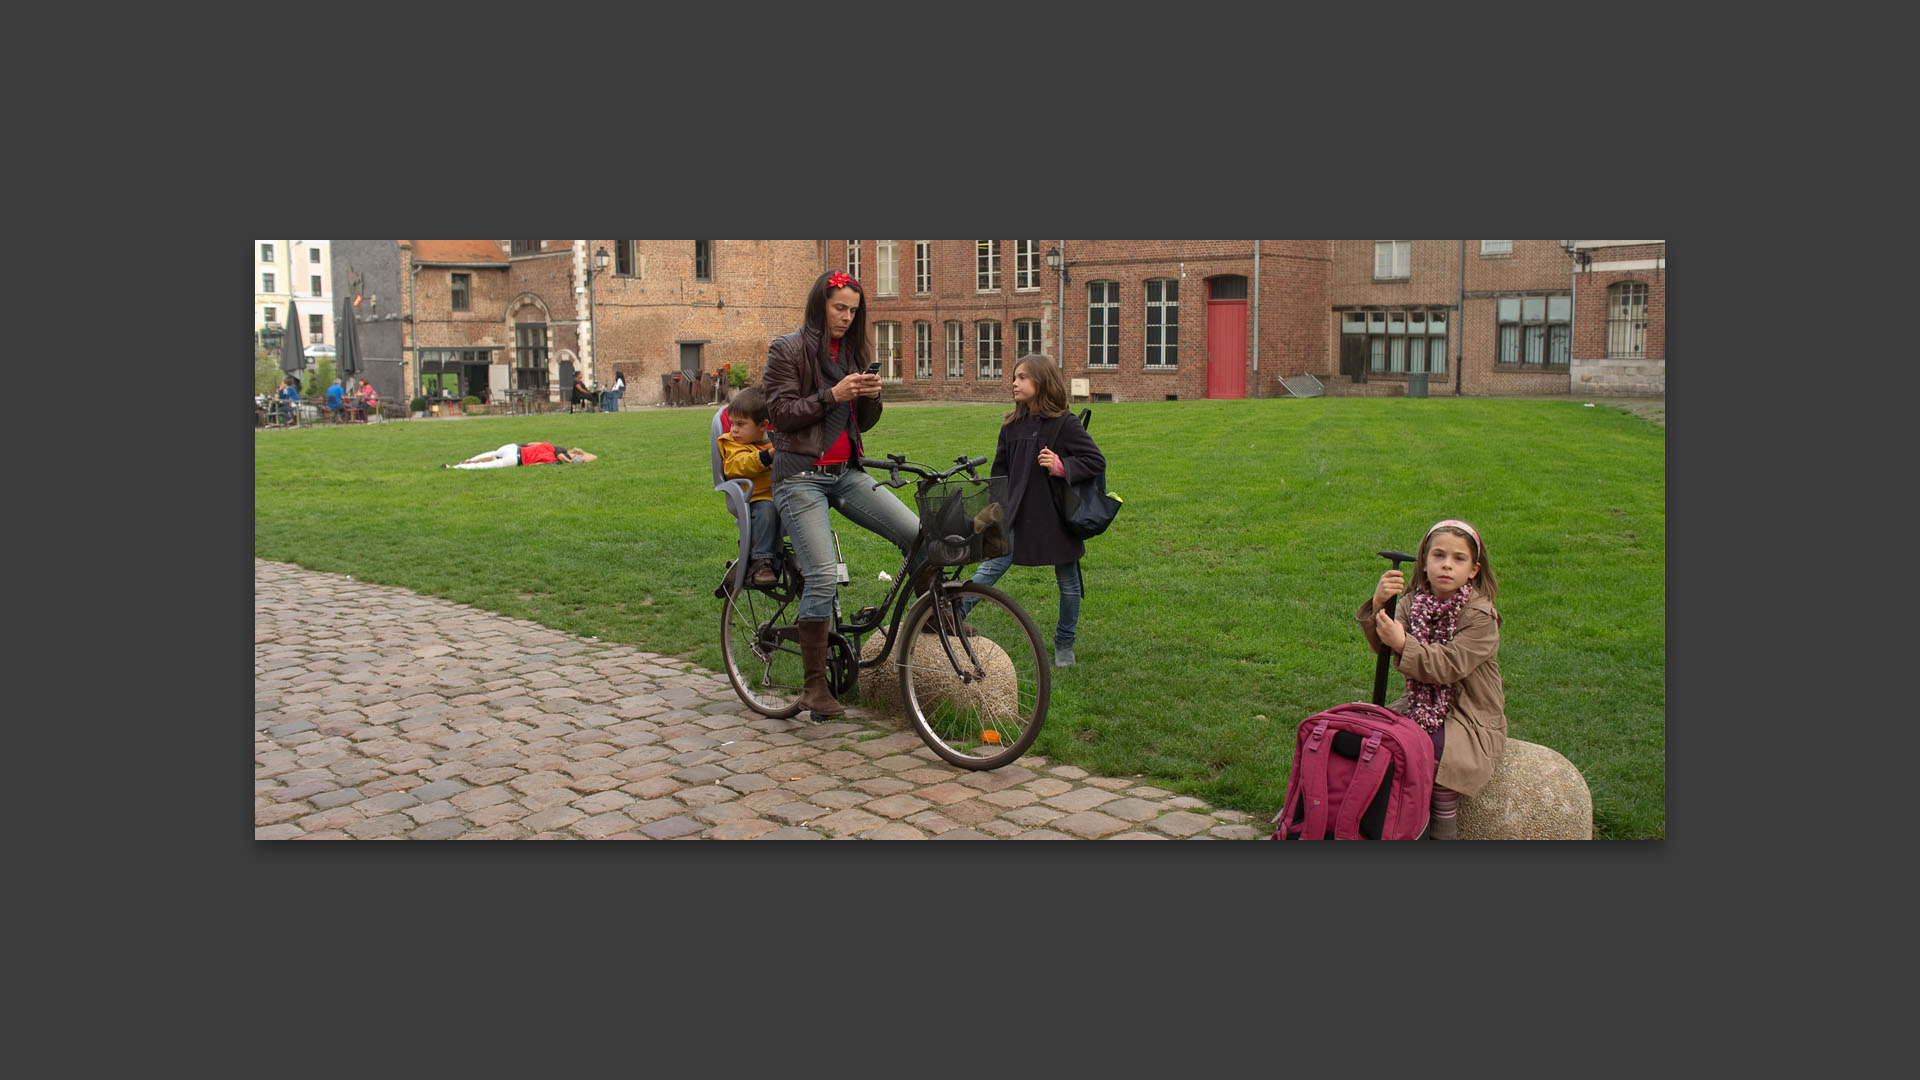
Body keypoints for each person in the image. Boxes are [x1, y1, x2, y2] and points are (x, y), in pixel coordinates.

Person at [765, 269, 924, 720]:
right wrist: (832, 394)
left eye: (853, 311)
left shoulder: (854, 351)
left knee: (918, 534)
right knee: (820, 575)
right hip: (799, 476)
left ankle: (933, 624)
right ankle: (815, 688)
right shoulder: (787, 349)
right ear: (821, 305)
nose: (846, 317)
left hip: (846, 472)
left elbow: (863, 423)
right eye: (839, 308)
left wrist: (870, 396)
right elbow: (779, 414)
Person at [1357, 518, 1507, 841]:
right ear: (1424, 563)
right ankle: (1390, 822)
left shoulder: (1480, 616)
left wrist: (1403, 643)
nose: (1447, 566)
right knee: (1378, 740)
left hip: (1469, 715)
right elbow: (1383, 645)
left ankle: (1441, 829)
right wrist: (1380, 604)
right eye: (1438, 556)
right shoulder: (1413, 603)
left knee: (1434, 751)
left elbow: (1448, 664)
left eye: (1458, 558)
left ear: (1474, 570)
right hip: (1421, 705)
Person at [960, 353, 1104, 669]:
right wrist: (991, 512)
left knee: (1068, 583)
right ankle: (952, 617)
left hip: (1055, 518)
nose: (1014, 382)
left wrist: (1062, 465)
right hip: (1015, 513)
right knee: (991, 567)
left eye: (1022, 377)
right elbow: (1000, 472)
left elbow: (1095, 460)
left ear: (1042, 381)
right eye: (1014, 377)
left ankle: (1064, 643)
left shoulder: (1065, 424)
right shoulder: (1011, 426)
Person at [716, 385, 782, 588]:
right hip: (751, 499)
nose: (733, 429)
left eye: (740, 424)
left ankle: (807, 561)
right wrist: (767, 456)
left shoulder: (773, 442)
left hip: (781, 495)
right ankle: (761, 561)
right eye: (732, 423)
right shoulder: (732, 443)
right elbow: (736, 466)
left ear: (763, 425)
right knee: (767, 509)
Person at [445, 442, 598, 469]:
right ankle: (455, 467)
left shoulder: (547, 445)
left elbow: (532, 443)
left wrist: (578, 451)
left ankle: (465, 462)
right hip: (516, 459)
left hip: (514, 447)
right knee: (488, 464)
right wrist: (581, 454)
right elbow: (594, 457)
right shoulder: (554, 459)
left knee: (491, 455)